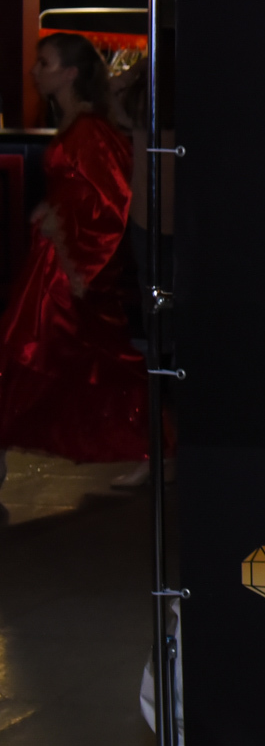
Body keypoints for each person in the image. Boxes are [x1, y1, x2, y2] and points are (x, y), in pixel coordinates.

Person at [0, 33, 150, 465]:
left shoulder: (89, 130)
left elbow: (111, 196)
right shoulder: (78, 124)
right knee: (45, 353)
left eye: (44, 63)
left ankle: (152, 444)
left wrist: (66, 236)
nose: (34, 71)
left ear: (69, 74)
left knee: (55, 352)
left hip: (68, 265)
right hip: (55, 259)